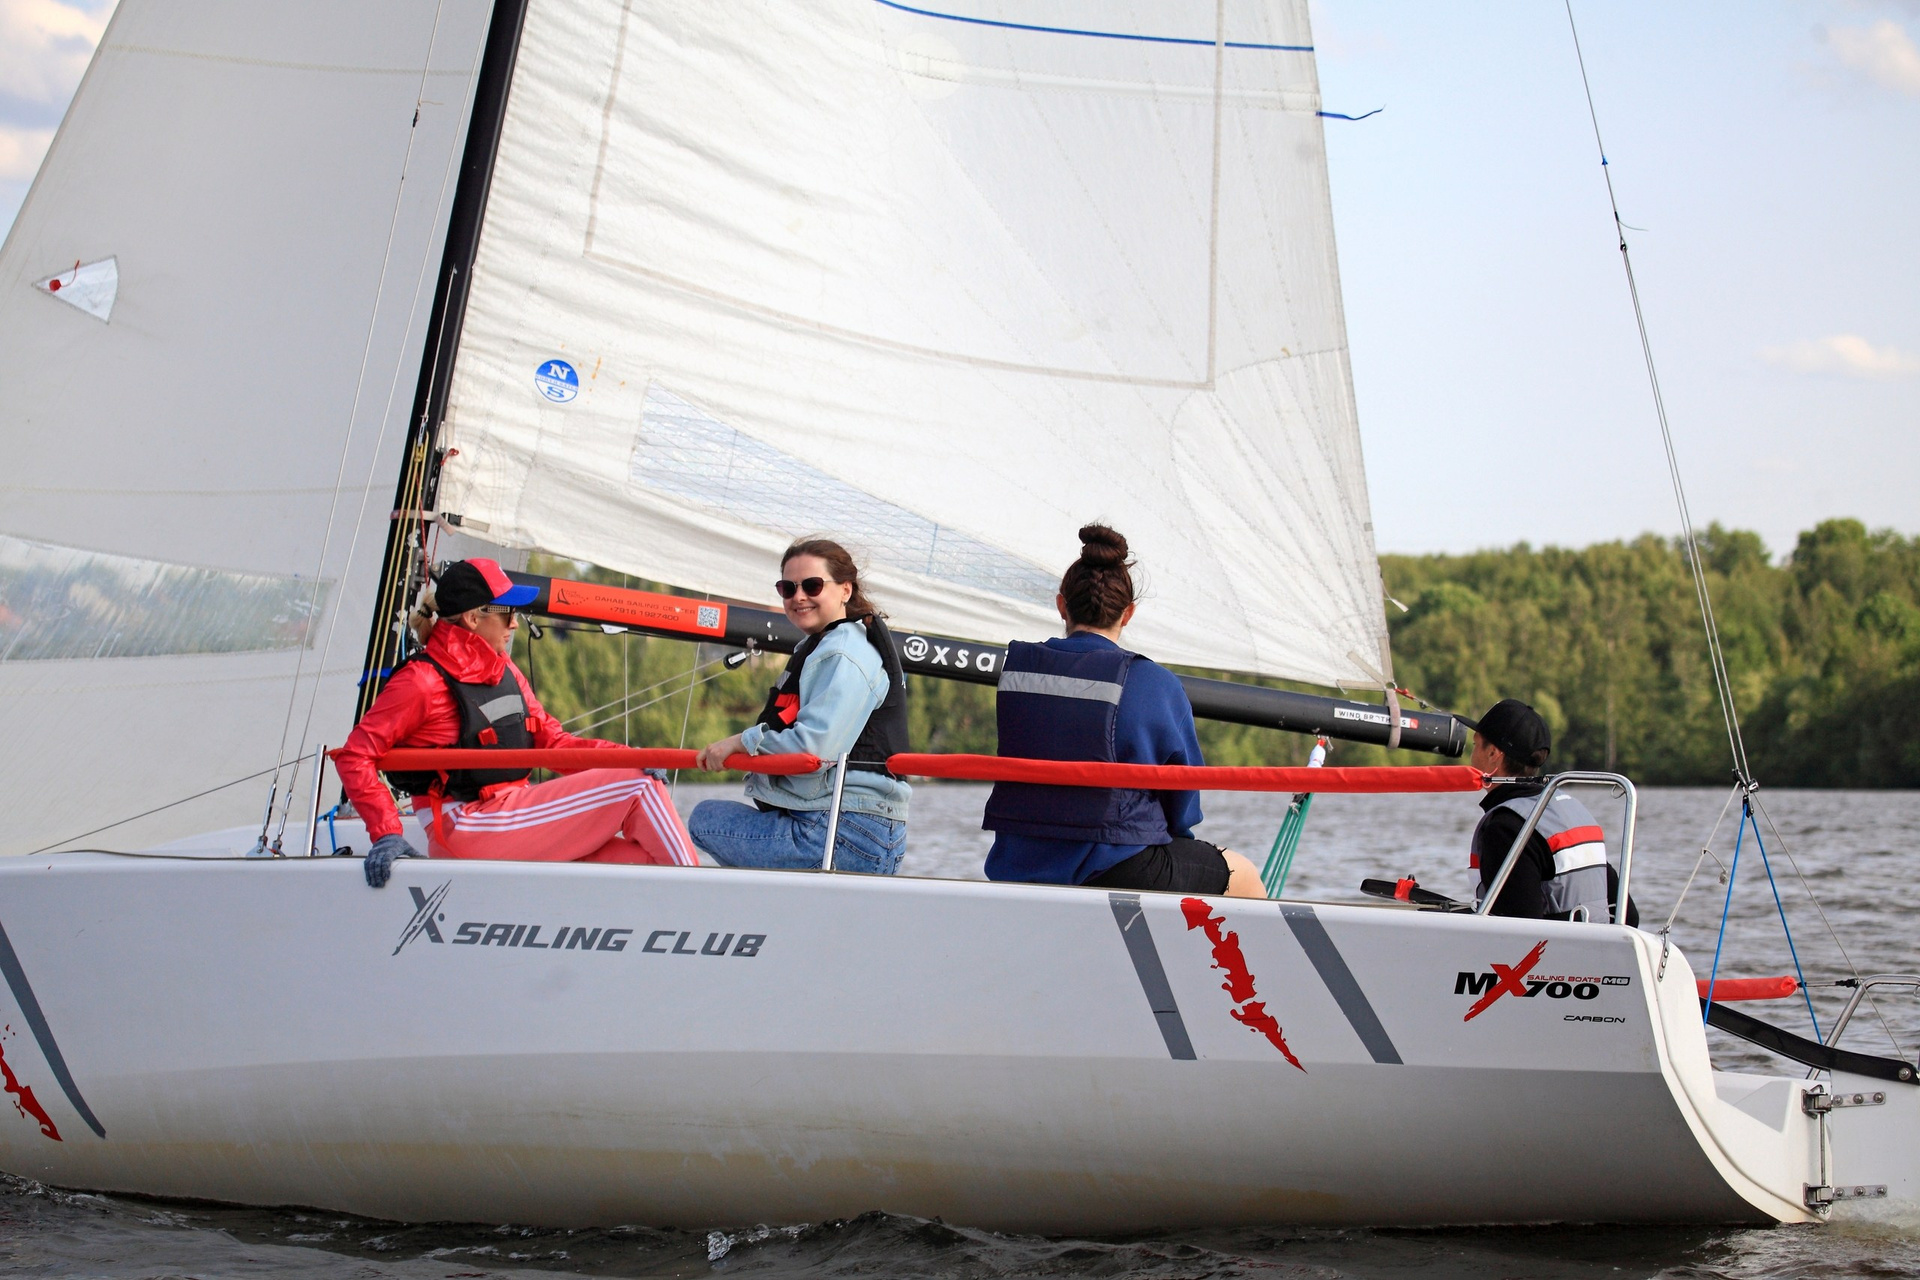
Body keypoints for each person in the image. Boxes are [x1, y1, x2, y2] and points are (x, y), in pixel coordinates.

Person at [335, 558, 697, 888]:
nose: (514, 623)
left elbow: (555, 744)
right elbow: (355, 755)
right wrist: (387, 833)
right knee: (640, 785)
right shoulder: (421, 681)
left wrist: (627, 756)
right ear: (472, 618)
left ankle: (690, 917)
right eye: (507, 612)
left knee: (645, 863)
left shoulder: (503, 668)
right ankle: (703, 901)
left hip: (512, 813)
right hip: (466, 826)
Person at [982, 525, 1264, 897]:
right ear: (1127, 614)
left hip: (1018, 861)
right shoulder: (1154, 682)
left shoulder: (1018, 672)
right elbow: (1184, 799)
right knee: (1243, 874)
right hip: (1116, 865)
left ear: (1062, 605)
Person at [687, 539, 910, 873]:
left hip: (843, 831)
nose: (799, 597)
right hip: (858, 829)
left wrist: (741, 742)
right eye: (788, 589)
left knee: (705, 819)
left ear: (845, 590)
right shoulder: (831, 644)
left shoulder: (842, 653)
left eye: (812, 585)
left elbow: (813, 749)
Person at [1465, 698, 1633, 923]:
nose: (1472, 753)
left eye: (1475, 744)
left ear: (1493, 753)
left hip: (1552, 946)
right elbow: (1629, 916)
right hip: (1594, 942)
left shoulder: (1506, 828)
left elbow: (1516, 930)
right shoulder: (1572, 810)